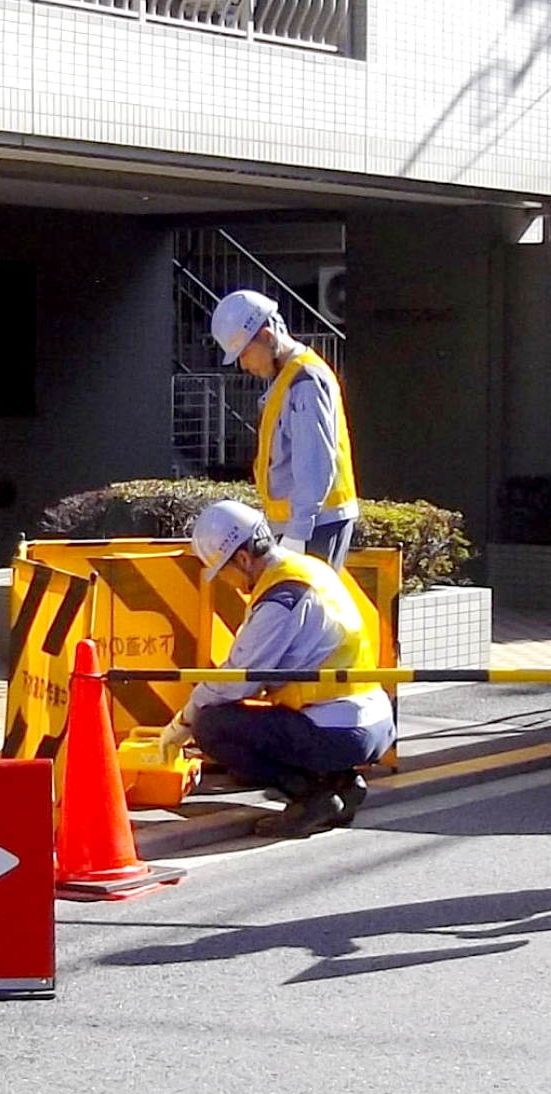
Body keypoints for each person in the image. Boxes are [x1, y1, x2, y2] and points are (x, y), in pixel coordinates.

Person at [158, 500, 395, 838]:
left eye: (223, 571)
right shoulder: (308, 569)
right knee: (260, 724)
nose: (226, 581)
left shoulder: (281, 600)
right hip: (373, 722)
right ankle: (342, 783)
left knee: (212, 725)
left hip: (339, 731)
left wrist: (183, 722)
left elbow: (236, 680)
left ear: (243, 559)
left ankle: (312, 798)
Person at [210, 289, 359, 570]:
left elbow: (313, 463)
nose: (243, 365)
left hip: (314, 526)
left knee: (306, 596)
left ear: (267, 336)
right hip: (308, 523)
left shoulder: (305, 381)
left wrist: (298, 532)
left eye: (244, 353)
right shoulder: (291, 379)